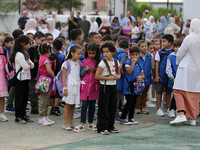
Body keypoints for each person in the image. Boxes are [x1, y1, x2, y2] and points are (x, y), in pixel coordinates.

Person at [170, 19, 200, 126]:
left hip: (186, 67)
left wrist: (177, 62)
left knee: (178, 90)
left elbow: (180, 52)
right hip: (197, 70)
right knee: (194, 93)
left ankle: (181, 114)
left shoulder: (189, 38)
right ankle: (192, 118)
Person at [74, 42, 101, 132]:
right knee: (84, 106)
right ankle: (82, 123)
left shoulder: (99, 62)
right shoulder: (84, 61)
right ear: (87, 53)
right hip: (85, 87)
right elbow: (81, 74)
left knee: (92, 106)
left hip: (94, 87)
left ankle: (90, 123)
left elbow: (100, 73)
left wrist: (95, 70)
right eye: (90, 53)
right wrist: (86, 69)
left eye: (93, 53)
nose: (91, 55)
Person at [95, 41, 120, 135]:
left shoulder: (116, 61)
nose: (105, 54)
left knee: (113, 107)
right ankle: (102, 127)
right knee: (103, 107)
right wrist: (108, 78)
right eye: (104, 52)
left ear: (112, 52)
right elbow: (97, 76)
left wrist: (118, 76)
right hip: (105, 87)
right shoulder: (102, 63)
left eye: (107, 51)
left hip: (113, 86)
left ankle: (110, 126)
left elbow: (119, 73)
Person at [9, 35, 34, 124]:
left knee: (24, 97)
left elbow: (32, 65)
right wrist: (28, 64)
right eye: (28, 43)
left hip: (26, 77)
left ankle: (23, 114)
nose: (29, 45)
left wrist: (28, 64)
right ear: (23, 43)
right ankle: (18, 116)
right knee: (19, 97)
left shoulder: (25, 52)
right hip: (20, 78)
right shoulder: (19, 54)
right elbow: (26, 66)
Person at [120, 46, 144, 125]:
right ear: (129, 55)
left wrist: (140, 77)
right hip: (128, 86)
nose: (134, 56)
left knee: (133, 102)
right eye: (132, 55)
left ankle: (131, 117)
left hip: (136, 86)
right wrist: (133, 63)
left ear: (139, 55)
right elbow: (129, 72)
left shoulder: (140, 64)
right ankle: (123, 118)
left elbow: (143, 75)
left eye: (136, 55)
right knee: (129, 102)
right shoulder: (127, 63)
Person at [62, 44, 82, 131]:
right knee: (67, 104)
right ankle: (66, 122)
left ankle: (71, 121)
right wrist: (64, 88)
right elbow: (63, 76)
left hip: (76, 85)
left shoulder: (79, 63)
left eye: (80, 53)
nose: (80, 55)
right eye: (78, 53)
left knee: (73, 104)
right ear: (72, 53)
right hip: (69, 85)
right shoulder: (66, 63)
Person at [155, 34, 174, 117]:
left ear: (170, 43)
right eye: (162, 41)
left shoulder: (174, 52)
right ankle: (159, 108)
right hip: (161, 75)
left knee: (168, 92)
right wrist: (157, 75)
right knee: (159, 91)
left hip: (170, 76)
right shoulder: (160, 52)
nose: (163, 43)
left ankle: (168, 108)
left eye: (164, 41)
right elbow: (157, 64)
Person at [37, 43, 55, 126]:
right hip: (46, 79)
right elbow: (48, 70)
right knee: (44, 99)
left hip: (43, 79)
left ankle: (45, 116)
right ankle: (41, 117)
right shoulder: (46, 59)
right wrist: (54, 76)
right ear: (48, 50)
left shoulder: (41, 58)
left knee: (45, 98)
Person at [28, 31, 45, 114]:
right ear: (36, 39)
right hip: (33, 74)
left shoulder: (40, 48)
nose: (42, 42)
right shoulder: (31, 49)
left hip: (40, 73)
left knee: (39, 90)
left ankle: (37, 107)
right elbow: (31, 63)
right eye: (41, 40)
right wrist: (33, 75)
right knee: (33, 91)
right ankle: (34, 107)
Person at [135, 40, 155, 114]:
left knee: (145, 93)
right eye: (142, 46)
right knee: (139, 93)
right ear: (139, 47)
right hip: (139, 78)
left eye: (145, 46)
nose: (144, 48)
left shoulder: (150, 55)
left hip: (147, 77)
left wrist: (154, 76)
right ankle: (137, 107)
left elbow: (153, 67)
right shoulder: (137, 55)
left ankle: (143, 107)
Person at [166, 39, 182, 118]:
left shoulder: (184, 56)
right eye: (176, 47)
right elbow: (168, 69)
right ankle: (172, 109)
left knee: (181, 95)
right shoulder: (171, 56)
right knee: (175, 94)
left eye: (179, 47)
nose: (178, 49)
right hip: (174, 78)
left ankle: (178, 110)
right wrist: (172, 77)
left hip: (183, 77)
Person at [114, 39, 129, 122]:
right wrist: (124, 74)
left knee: (115, 98)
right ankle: (115, 116)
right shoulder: (124, 55)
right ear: (127, 48)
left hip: (113, 77)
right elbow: (121, 66)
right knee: (117, 98)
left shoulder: (115, 53)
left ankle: (114, 115)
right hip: (119, 79)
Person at [50, 38, 65, 116]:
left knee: (52, 92)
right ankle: (56, 107)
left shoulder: (49, 54)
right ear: (61, 47)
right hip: (59, 77)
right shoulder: (62, 56)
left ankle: (52, 107)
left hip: (50, 76)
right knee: (58, 92)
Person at [0, 35, 9, 122]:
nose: (0, 43)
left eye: (2, 41)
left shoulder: (4, 51)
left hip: (2, 77)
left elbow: (7, 63)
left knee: (2, 97)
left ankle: (1, 113)